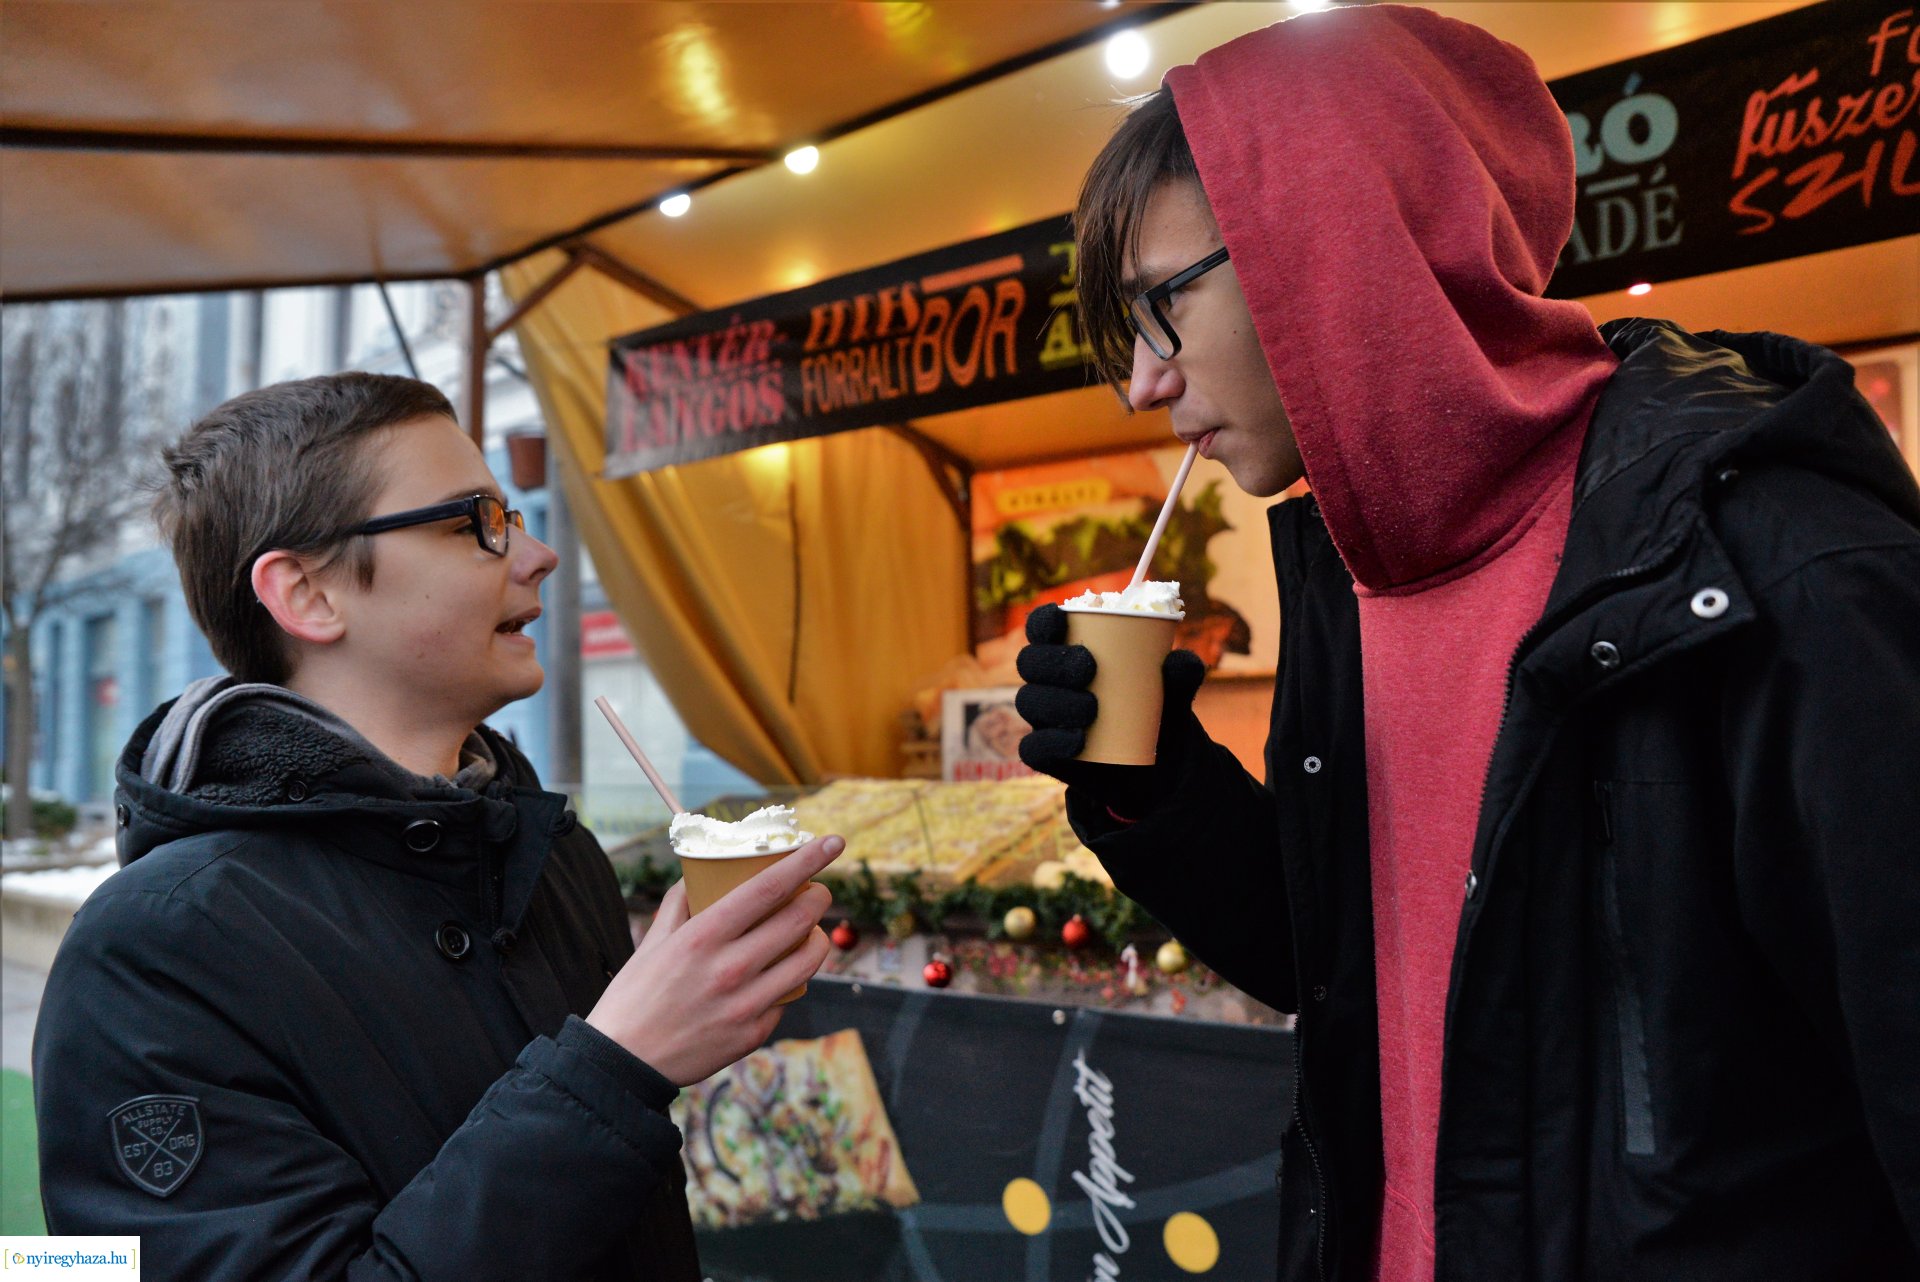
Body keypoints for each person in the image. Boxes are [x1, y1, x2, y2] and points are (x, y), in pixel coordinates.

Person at [1016, 7, 1920, 1280]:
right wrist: (1159, 787)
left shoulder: (1772, 565)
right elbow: (1349, 973)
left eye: (1159, 306)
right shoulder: (1350, 574)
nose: (1142, 383)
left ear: (1328, 244)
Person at [33, 373, 839, 1279]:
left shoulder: (551, 853)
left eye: (513, 516)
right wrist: (617, 1067)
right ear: (307, 594)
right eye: (475, 522)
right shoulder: (156, 950)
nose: (538, 555)